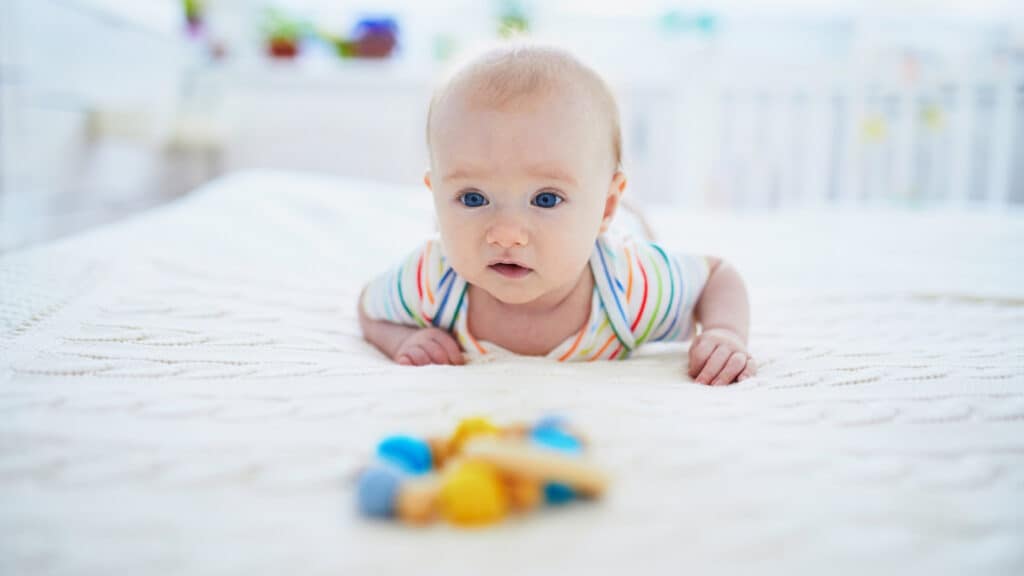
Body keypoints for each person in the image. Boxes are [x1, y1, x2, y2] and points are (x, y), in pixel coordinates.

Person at [358, 43, 755, 385]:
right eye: (472, 198)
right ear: (436, 197)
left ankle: (627, 214)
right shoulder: (433, 278)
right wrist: (402, 341)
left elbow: (716, 277)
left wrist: (725, 332)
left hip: (618, 235)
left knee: (640, 230)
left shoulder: (629, 284)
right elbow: (368, 306)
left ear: (606, 207)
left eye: (546, 199)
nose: (507, 234)